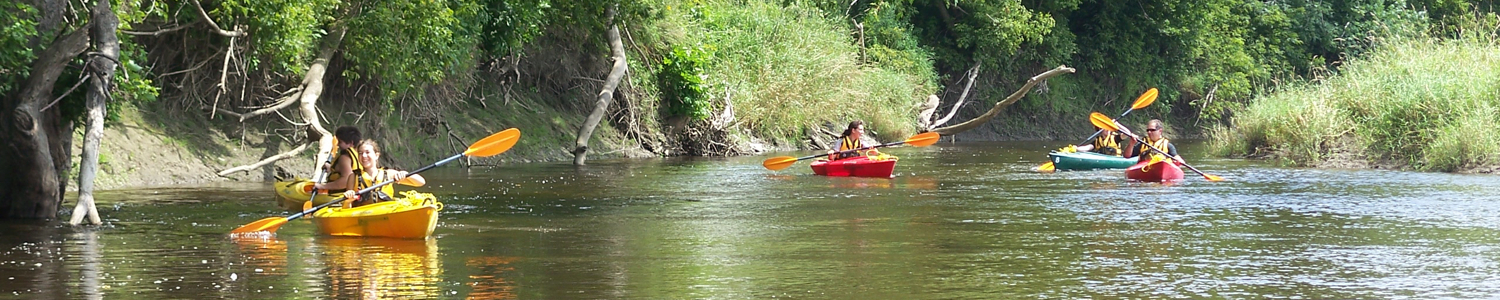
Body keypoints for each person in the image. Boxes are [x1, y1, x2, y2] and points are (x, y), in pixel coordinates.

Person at [350, 139, 426, 207]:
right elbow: (347, 206)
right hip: (363, 216)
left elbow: (420, 182)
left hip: (386, 213)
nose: (363, 156)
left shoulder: (389, 174)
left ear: (376, 156)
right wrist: (348, 200)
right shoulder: (353, 177)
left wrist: (405, 174)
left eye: (367, 152)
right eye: (360, 153)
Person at [314, 126, 363, 201]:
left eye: (340, 142)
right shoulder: (360, 155)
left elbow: (345, 181)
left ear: (351, 143)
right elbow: (349, 170)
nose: (337, 145)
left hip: (341, 197)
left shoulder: (344, 157)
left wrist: (322, 186)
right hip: (357, 194)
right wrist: (331, 168)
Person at [1120, 119, 1184, 163]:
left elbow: (1177, 158)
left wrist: (1179, 161)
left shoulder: (1168, 145)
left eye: (1152, 130)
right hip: (1144, 168)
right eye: (1148, 130)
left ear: (1160, 131)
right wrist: (1131, 144)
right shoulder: (1142, 143)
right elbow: (1126, 156)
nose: (1149, 132)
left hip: (1160, 165)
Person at [1060, 124, 1126, 156]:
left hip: (1116, 159)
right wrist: (1075, 148)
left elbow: (1127, 134)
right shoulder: (1097, 141)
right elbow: (1087, 147)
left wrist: (1117, 124)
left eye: (1109, 127)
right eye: (1105, 128)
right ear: (1100, 130)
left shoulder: (1115, 138)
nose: (1108, 129)